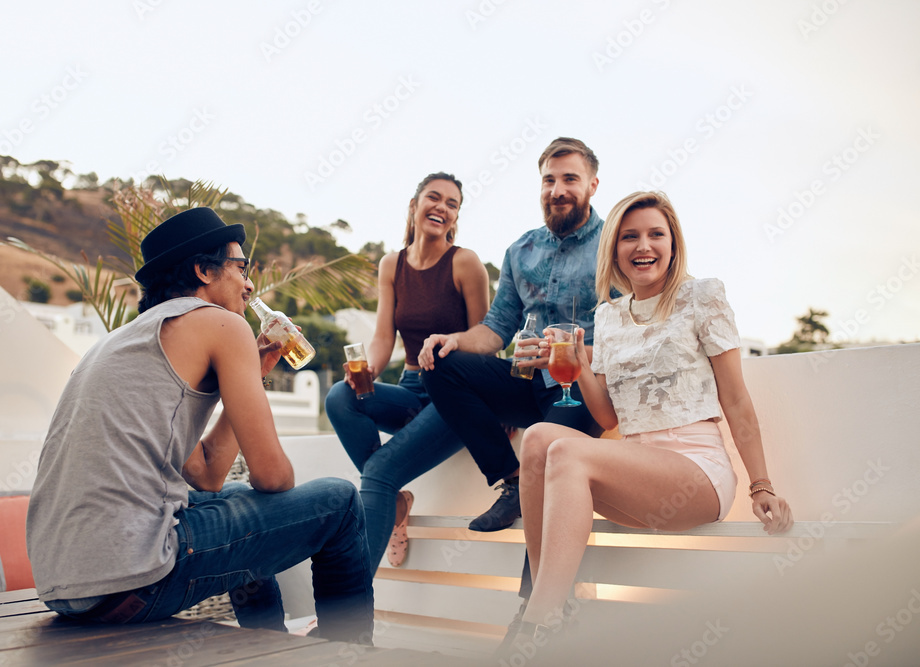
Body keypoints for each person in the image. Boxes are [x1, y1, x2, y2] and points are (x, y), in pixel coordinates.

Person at [26, 207, 374, 643]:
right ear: (203, 270)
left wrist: (253, 373)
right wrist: (244, 359)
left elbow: (208, 475)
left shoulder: (122, 342)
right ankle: (353, 652)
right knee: (339, 501)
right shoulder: (222, 323)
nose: (249, 285)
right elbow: (273, 477)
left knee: (234, 499)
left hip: (67, 589)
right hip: (135, 577)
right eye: (241, 267)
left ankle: (267, 644)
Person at [504, 191, 794, 653]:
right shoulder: (609, 316)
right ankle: (549, 609)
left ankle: (539, 626)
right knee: (539, 437)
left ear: (673, 244)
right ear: (614, 249)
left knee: (565, 449)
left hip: (696, 470)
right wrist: (578, 365)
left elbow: (736, 400)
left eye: (656, 234)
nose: (644, 246)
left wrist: (762, 484)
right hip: (638, 469)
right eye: (629, 236)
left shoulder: (702, 296)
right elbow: (609, 418)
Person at [418, 138, 605, 533]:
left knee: (552, 463)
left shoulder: (614, 245)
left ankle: (538, 596)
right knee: (442, 365)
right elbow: (496, 329)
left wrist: (567, 352)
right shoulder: (520, 250)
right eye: (548, 180)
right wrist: (453, 339)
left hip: (583, 386)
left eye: (570, 179)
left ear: (593, 185)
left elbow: (629, 334)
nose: (557, 191)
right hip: (526, 381)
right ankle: (511, 479)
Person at [325, 172, 490, 573]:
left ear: (455, 218)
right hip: (413, 387)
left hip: (455, 396)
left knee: (380, 472)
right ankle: (393, 501)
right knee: (339, 397)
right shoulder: (391, 265)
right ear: (414, 205)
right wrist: (364, 371)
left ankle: (348, 607)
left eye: (452, 204)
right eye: (434, 198)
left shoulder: (465, 263)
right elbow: (384, 338)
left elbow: (487, 342)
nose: (442, 207)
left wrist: (495, 410)